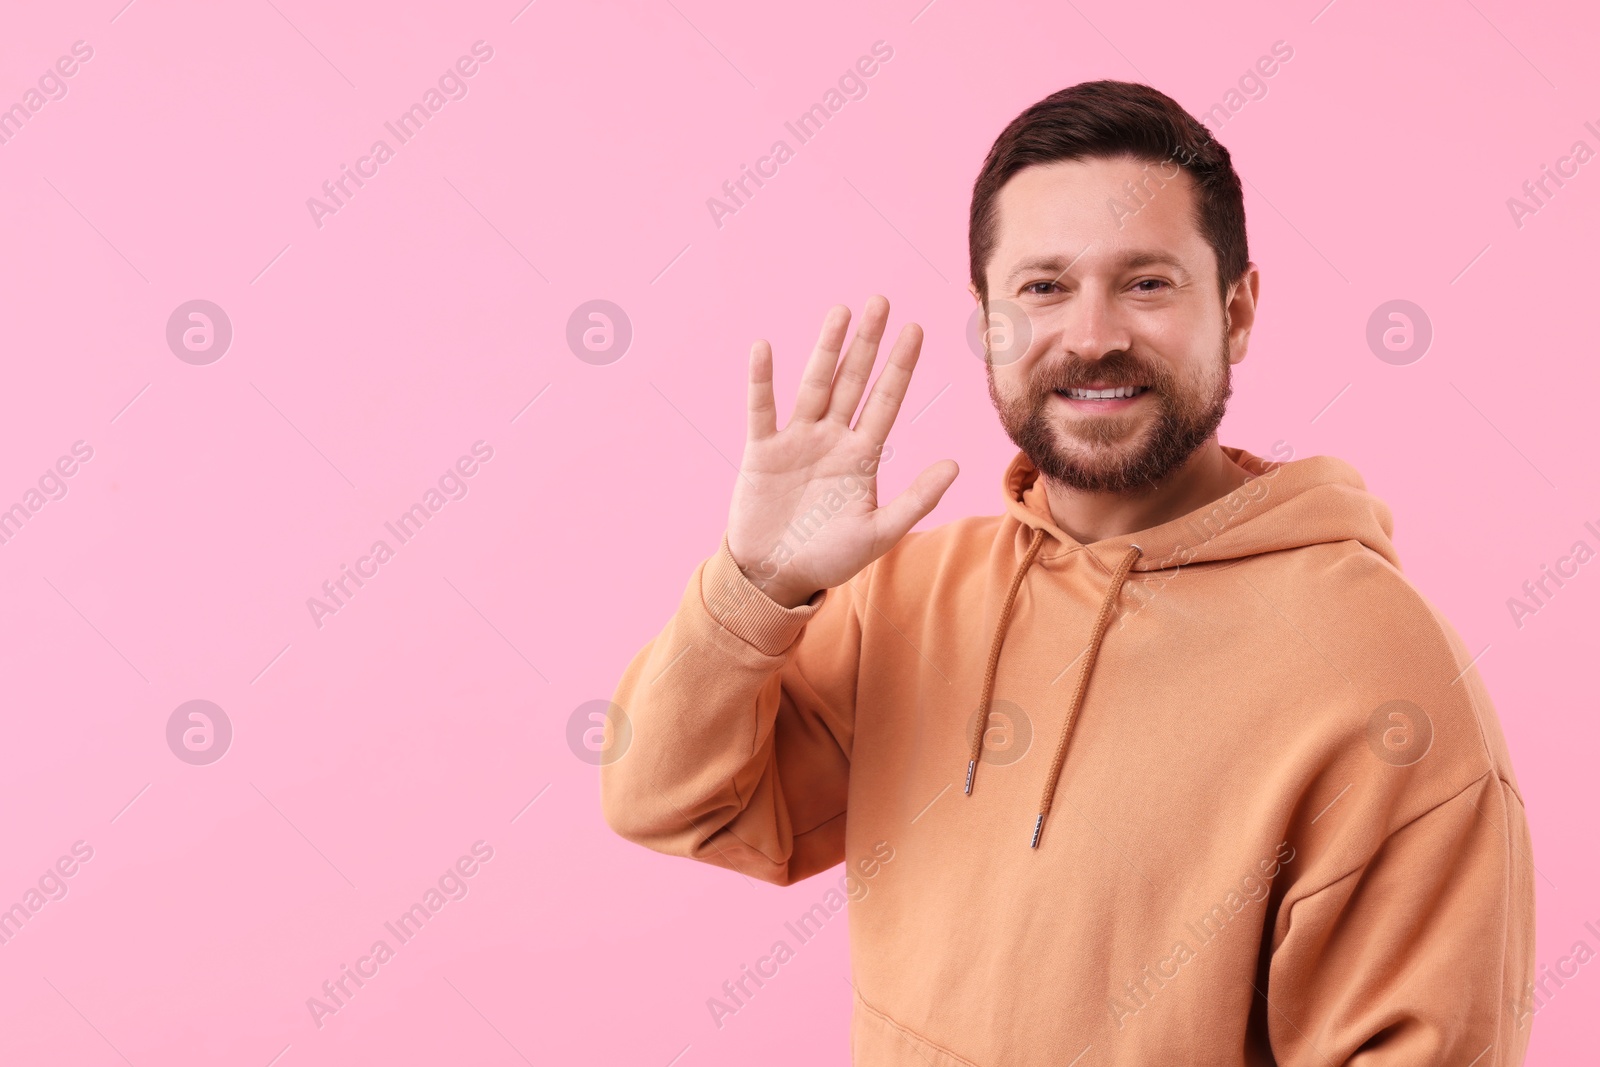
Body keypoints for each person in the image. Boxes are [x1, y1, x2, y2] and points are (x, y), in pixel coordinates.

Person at [600, 79, 1536, 1065]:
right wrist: (756, 585)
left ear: (1238, 308)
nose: (1091, 335)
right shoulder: (913, 591)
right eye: (1043, 287)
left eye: (1146, 282)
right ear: (989, 318)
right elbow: (666, 799)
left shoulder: (1381, 675)